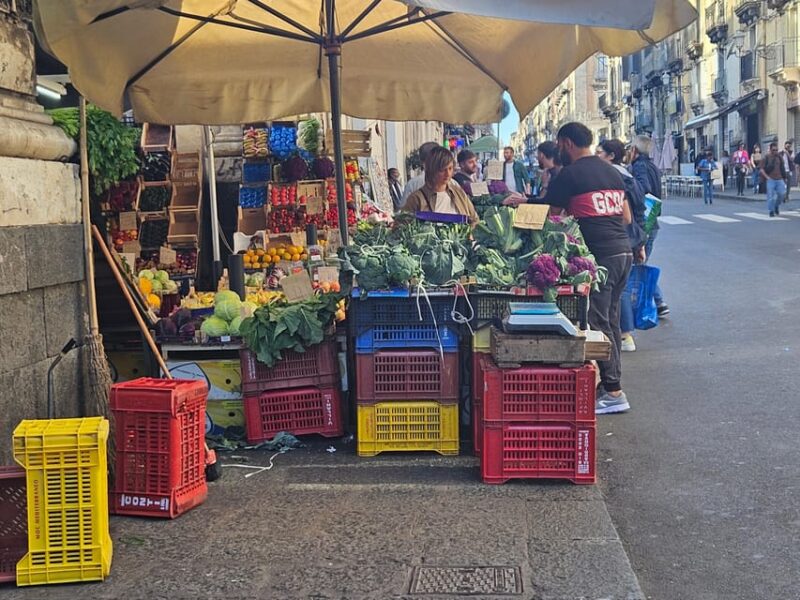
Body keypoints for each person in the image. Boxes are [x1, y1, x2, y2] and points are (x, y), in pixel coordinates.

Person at [541, 123, 633, 414]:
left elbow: (551, 218)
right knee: (612, 320)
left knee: (597, 321)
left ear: (566, 143)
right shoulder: (612, 171)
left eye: (559, 144)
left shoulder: (570, 174)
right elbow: (627, 217)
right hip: (623, 253)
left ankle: (614, 391)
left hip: (602, 258)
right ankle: (609, 385)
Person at [597, 138, 647, 353]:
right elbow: (640, 208)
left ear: (610, 156)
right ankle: (623, 334)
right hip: (631, 235)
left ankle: (625, 335)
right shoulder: (627, 173)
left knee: (620, 288)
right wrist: (641, 241)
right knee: (622, 285)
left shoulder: (612, 175)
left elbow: (626, 214)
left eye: (599, 153)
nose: (596, 156)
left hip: (621, 236)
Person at [630, 135, 669, 318]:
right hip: (652, 220)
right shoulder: (653, 166)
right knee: (639, 262)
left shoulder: (639, 166)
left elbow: (643, 187)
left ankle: (658, 302)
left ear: (634, 151)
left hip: (644, 221)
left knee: (638, 262)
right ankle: (659, 302)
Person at [403, 145, 479, 225]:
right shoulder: (416, 199)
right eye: (442, 170)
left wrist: (470, 232)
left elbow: (474, 219)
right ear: (432, 170)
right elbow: (402, 227)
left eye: (450, 168)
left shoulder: (458, 192)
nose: (448, 174)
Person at [761, 142, 787, 217]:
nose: (775, 151)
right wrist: (767, 177)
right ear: (770, 150)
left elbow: (783, 168)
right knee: (770, 196)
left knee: (781, 194)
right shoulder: (766, 157)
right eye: (773, 150)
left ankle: (776, 206)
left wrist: (784, 178)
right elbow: (761, 169)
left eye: (776, 150)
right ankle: (771, 211)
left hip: (779, 179)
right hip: (771, 179)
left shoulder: (779, 157)